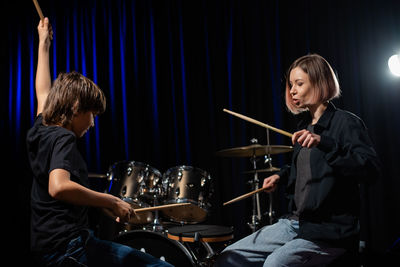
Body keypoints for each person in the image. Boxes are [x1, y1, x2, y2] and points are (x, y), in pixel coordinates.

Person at [27, 17, 173, 267]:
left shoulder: (42, 127)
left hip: (47, 248)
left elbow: (42, 92)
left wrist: (43, 43)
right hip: (69, 248)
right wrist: (112, 201)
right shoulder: (64, 137)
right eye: (92, 114)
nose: (93, 123)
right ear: (75, 107)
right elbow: (58, 187)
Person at [214, 54, 380, 266]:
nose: (292, 90)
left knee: (275, 264)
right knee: (229, 258)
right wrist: (280, 176)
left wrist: (325, 143)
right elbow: (308, 168)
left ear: (320, 83)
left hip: (329, 230)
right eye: (291, 85)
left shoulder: (346, 123)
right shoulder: (304, 126)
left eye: (299, 84)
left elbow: (370, 169)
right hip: (296, 223)